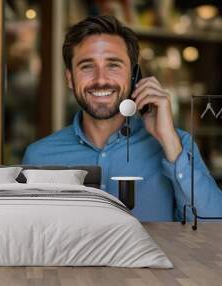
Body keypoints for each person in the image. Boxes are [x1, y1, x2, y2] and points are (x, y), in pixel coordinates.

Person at [22, 15, 222, 221]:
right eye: (87, 66)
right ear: (70, 79)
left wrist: (169, 142)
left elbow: (215, 231)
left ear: (134, 76)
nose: (100, 79)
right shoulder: (39, 158)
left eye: (113, 65)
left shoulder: (177, 146)